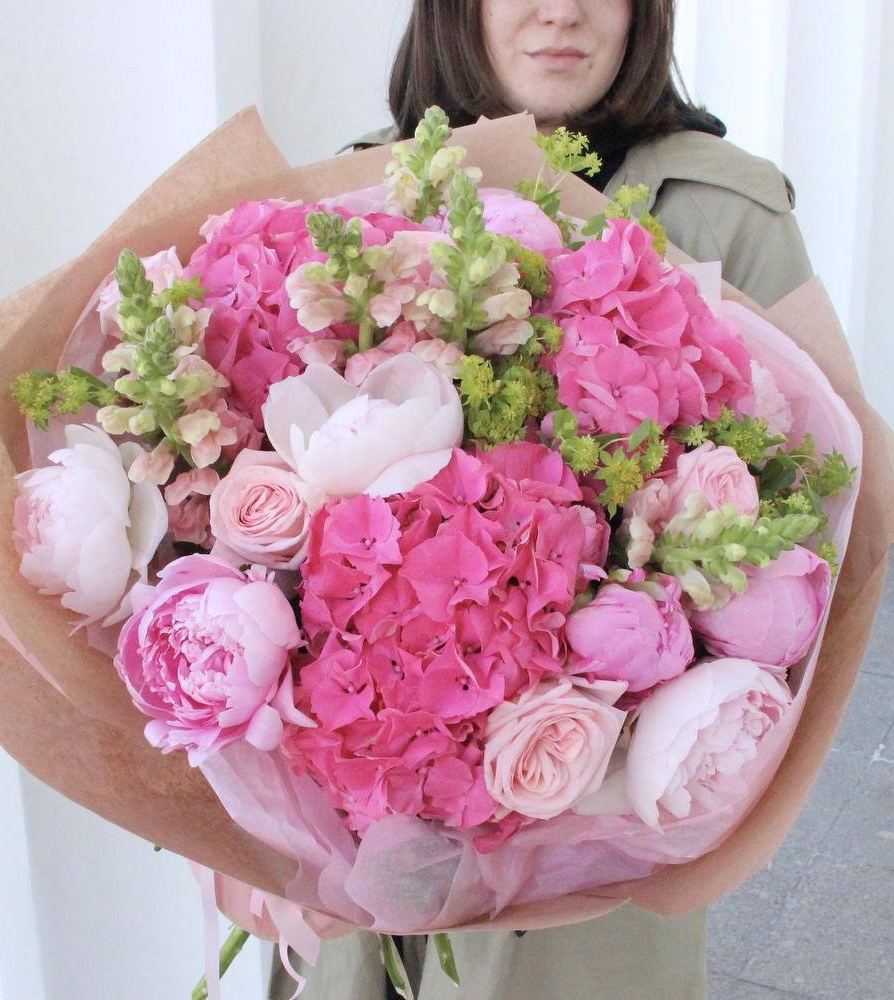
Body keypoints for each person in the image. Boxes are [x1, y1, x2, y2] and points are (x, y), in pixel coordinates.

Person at [270, 2, 812, 998]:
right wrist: (240, 841)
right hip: (350, 846)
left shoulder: (727, 212)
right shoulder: (357, 194)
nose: (561, 9)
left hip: (594, 879)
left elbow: (810, 526)